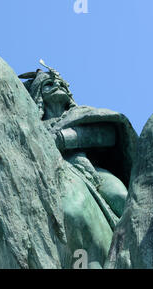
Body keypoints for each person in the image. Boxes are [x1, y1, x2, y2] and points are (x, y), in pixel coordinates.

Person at [19, 60, 137, 221]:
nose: (57, 85)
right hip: (45, 178)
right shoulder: (33, 129)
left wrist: (62, 139)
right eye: (48, 84)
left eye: (61, 83)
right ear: (37, 95)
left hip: (90, 170)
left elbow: (109, 135)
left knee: (121, 197)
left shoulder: (82, 114)